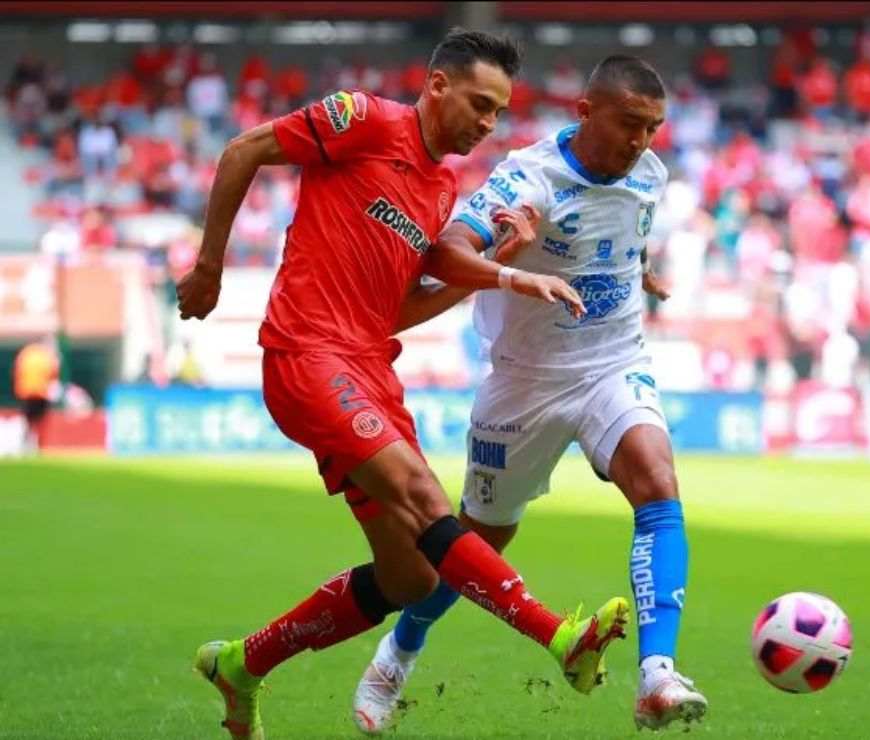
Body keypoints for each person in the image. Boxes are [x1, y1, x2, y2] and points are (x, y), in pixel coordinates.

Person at [176, 30, 627, 740]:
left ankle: (240, 664)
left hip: (368, 368)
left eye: (499, 112)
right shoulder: (363, 118)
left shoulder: (442, 186)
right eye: (479, 104)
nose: (487, 124)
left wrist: (496, 258)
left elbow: (395, 310)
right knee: (423, 499)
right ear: (437, 86)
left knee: (412, 577)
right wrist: (209, 266)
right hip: (306, 353)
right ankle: (557, 638)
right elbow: (245, 151)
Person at [350, 55, 706, 734]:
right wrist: (512, 272)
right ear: (585, 111)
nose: (641, 141)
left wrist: (643, 272)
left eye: (653, 128)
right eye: (629, 123)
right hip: (525, 385)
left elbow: (626, 237)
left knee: (658, 485)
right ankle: (399, 650)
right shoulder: (528, 177)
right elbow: (447, 250)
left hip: (612, 363)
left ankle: (657, 675)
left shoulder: (649, 174)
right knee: (480, 541)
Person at [12, 335, 59, 454]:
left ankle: (25, 445)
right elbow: (52, 374)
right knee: (40, 422)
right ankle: (38, 446)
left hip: (26, 392)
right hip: (41, 393)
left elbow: (17, 371)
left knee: (28, 421)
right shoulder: (46, 357)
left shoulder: (25, 354)